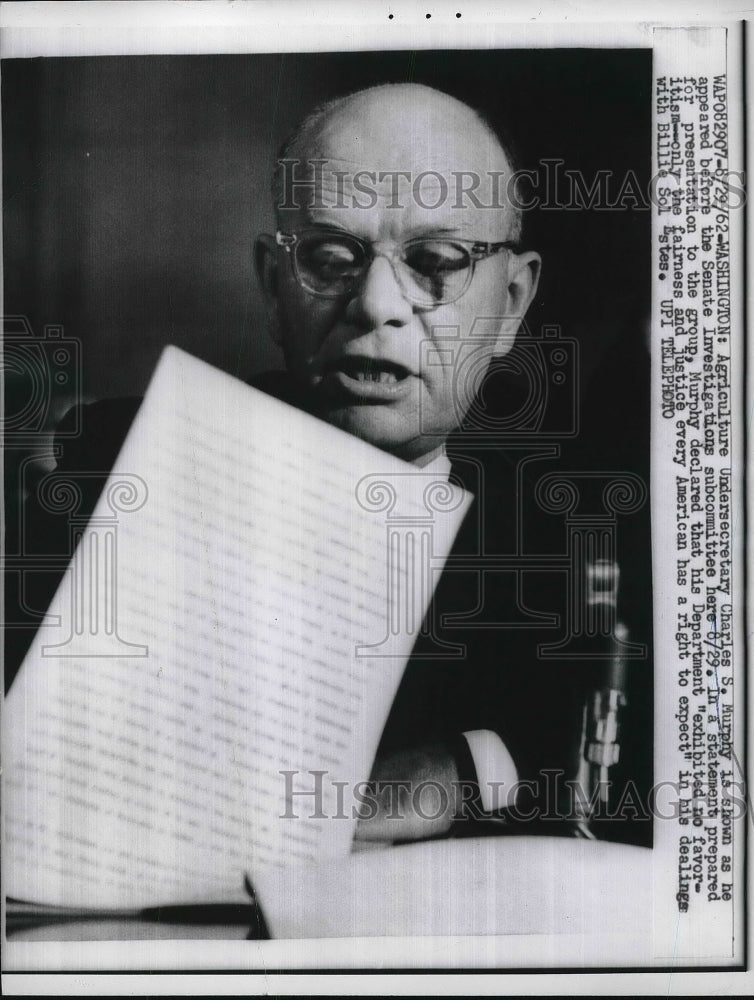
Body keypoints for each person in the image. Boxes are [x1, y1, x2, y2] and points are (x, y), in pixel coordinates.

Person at [7, 82, 651, 848]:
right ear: (273, 288)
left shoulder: (576, 546)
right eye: (330, 258)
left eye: (434, 262)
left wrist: (470, 768)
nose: (376, 304)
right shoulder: (117, 479)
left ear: (511, 302)